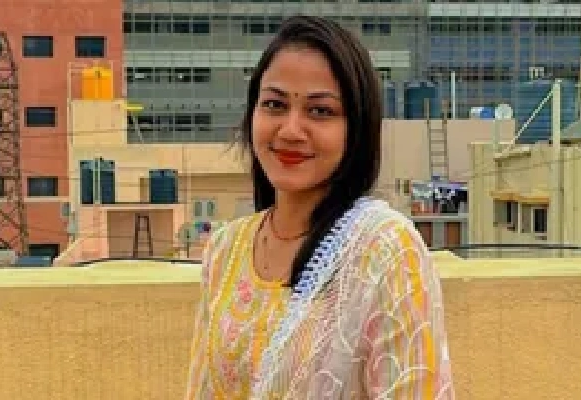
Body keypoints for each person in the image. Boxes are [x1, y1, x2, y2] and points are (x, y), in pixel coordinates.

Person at [184, 15, 454, 399]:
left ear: (355, 129)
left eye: (320, 111)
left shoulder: (384, 251)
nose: (291, 130)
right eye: (275, 104)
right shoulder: (225, 250)